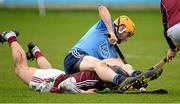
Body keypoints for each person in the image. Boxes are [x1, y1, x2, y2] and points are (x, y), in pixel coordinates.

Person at [0, 31, 143, 93]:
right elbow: (64, 86)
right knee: (20, 69)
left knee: (47, 70)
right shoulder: (100, 77)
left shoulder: (101, 74)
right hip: (54, 80)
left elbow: (113, 62)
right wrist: (83, 93)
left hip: (61, 76)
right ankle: (10, 36)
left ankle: (35, 52)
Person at [63, 5, 141, 87]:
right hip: (75, 58)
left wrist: (131, 75)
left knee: (116, 63)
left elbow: (118, 65)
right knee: (98, 63)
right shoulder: (105, 26)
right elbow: (102, 8)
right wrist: (111, 32)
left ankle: (135, 74)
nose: (127, 39)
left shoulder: (114, 51)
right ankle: (120, 80)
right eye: (128, 35)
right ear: (122, 28)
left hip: (86, 70)